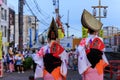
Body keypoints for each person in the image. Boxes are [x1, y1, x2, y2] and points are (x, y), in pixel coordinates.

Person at [77, 9, 109, 80]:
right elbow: (103, 50)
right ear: (96, 31)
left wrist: (87, 50)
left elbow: (78, 51)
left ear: (88, 30)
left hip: (87, 67)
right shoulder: (100, 40)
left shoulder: (84, 40)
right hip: (98, 67)